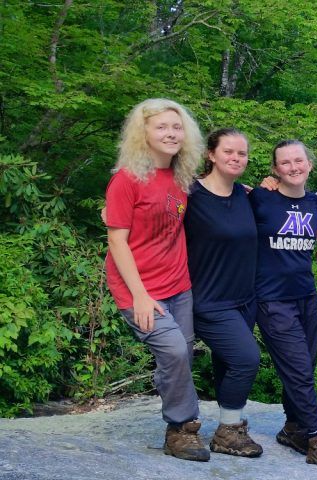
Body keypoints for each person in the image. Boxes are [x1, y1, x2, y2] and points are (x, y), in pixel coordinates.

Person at [104, 98, 208, 461]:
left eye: (176, 127)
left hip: (178, 284)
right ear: (143, 132)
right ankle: (182, 427)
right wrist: (141, 296)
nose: (170, 133)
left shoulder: (182, 175)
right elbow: (116, 239)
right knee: (175, 350)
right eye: (161, 127)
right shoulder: (127, 179)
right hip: (138, 289)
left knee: (181, 357)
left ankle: (173, 414)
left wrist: (262, 187)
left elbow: (218, 189)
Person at [253, 139, 317, 467]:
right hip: (270, 298)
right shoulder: (260, 199)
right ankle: (316, 436)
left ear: (309, 164)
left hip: (305, 295)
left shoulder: (315, 204)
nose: (293, 167)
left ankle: (293, 428)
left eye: (299, 160)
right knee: (298, 369)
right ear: (275, 169)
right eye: (285, 162)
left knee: (304, 365)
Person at [186, 128, 262, 458]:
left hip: (245, 299)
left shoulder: (246, 196)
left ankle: (225, 423)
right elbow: (153, 220)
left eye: (242, 154)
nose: (236, 158)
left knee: (227, 363)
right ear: (211, 155)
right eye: (228, 152)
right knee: (247, 359)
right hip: (209, 300)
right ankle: (228, 431)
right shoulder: (190, 195)